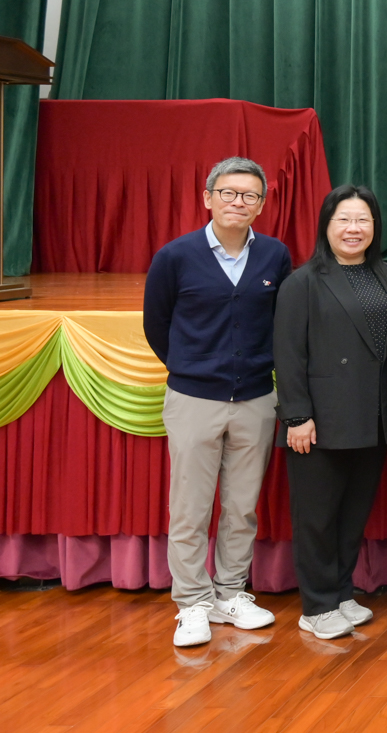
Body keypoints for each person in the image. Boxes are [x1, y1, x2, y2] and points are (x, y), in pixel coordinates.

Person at [144, 156, 292, 647]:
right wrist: (193, 367)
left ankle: (230, 594)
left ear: (261, 205)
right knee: (189, 509)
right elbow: (156, 324)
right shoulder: (175, 256)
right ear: (208, 197)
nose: (238, 202)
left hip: (256, 398)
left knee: (242, 506)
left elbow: (282, 323)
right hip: (194, 399)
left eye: (250, 195)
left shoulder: (274, 255)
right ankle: (192, 603)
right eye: (228, 193)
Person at [274, 184, 387, 640]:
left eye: (362, 219)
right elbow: (288, 355)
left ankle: (342, 592)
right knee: (317, 518)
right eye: (343, 219)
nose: (353, 228)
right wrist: (296, 416)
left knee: (352, 514)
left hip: (373, 418)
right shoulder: (302, 282)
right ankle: (317, 605)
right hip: (320, 421)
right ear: (326, 225)